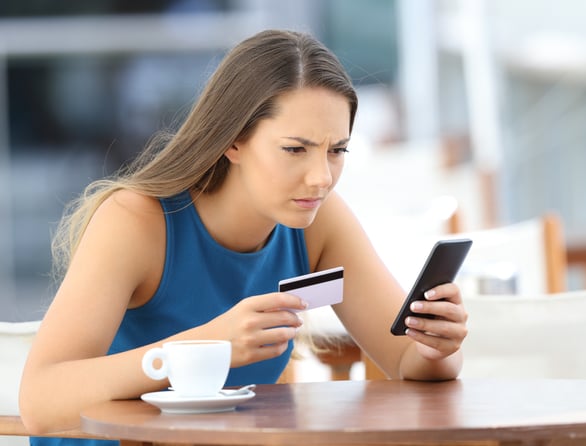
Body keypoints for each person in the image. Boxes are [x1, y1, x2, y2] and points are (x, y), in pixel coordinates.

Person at [19, 29, 468, 445]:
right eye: (295, 149)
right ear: (232, 140)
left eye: (337, 151)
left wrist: (436, 349)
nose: (320, 177)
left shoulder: (319, 223)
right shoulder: (136, 221)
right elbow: (40, 404)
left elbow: (406, 362)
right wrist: (203, 347)